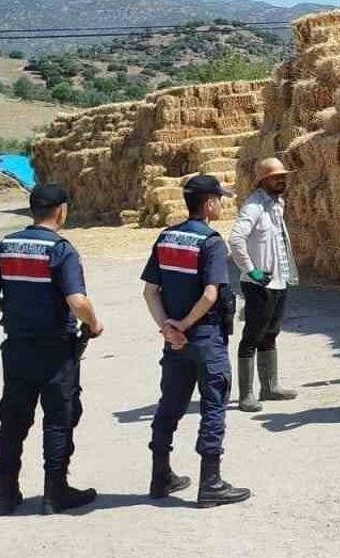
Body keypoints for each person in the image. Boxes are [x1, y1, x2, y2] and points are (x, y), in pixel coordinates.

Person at [0, 184, 104, 515]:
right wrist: (94, 323)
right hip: (55, 350)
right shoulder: (61, 250)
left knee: (13, 419)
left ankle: (5, 493)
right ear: (61, 211)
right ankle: (54, 493)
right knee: (59, 418)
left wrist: (9, 307)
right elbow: (77, 301)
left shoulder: (5, 246)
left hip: (16, 348)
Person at [141, 175, 251, 508]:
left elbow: (149, 291)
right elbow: (210, 294)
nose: (223, 204)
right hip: (205, 337)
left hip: (175, 342)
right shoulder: (212, 242)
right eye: (220, 199)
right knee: (213, 406)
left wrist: (168, 328)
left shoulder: (166, 237)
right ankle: (211, 483)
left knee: (169, 406)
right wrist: (185, 325)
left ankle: (160, 476)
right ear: (209, 204)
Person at [229, 157, 300, 413]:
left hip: (278, 281)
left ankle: (270, 387)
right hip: (259, 284)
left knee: (271, 333)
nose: (281, 180)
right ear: (263, 180)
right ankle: (246, 394)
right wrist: (251, 270)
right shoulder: (254, 206)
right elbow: (236, 239)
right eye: (275, 177)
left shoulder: (277, 204)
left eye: (283, 176)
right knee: (252, 336)